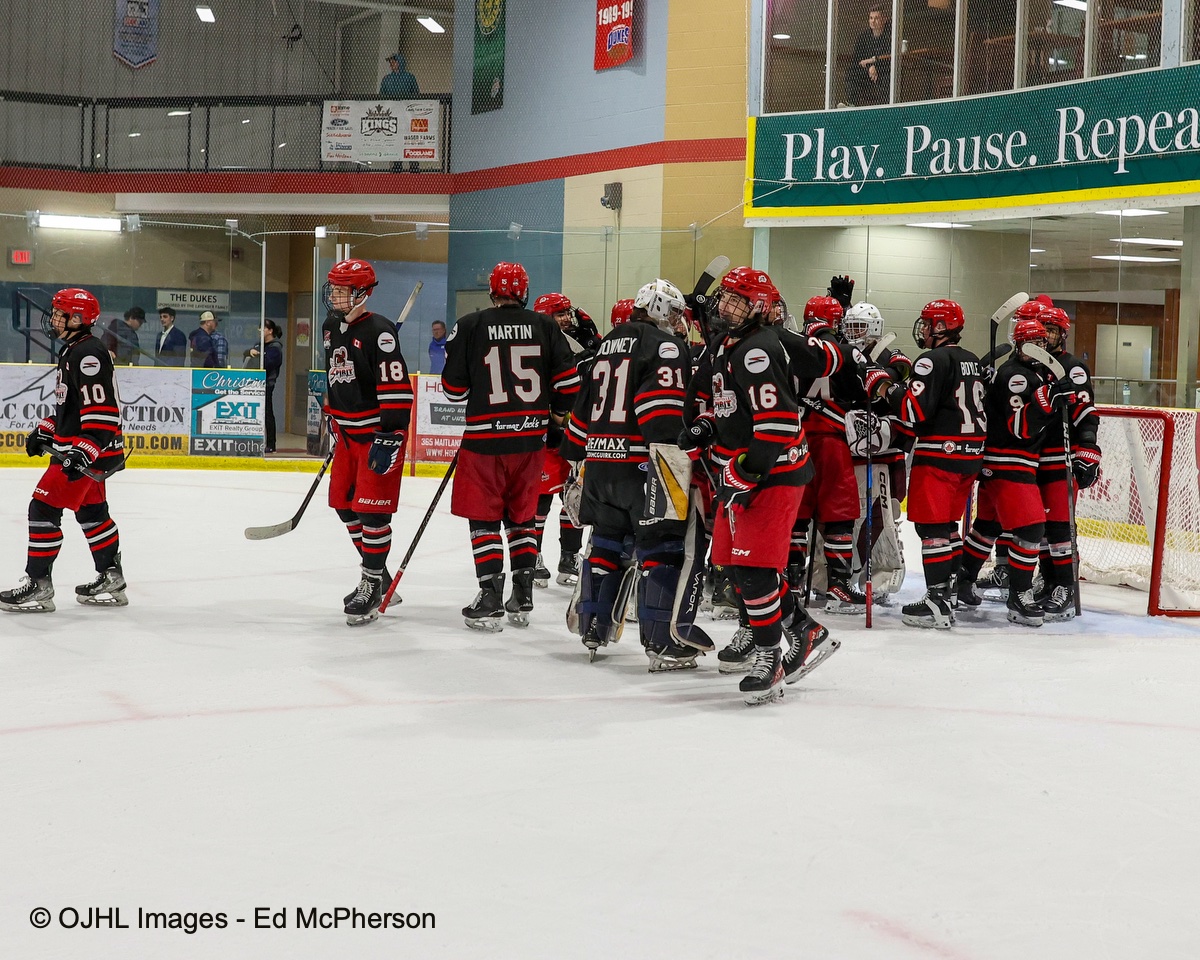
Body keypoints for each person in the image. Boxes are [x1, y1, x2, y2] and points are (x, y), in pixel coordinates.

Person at [688, 267, 832, 705]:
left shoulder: (758, 350)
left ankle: (770, 656)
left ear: (761, 308)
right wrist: (705, 428)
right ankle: (805, 630)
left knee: (753, 569)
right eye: (726, 298)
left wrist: (747, 471)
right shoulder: (725, 344)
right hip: (747, 469)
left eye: (739, 300)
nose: (727, 306)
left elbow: (779, 423)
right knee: (735, 564)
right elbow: (730, 407)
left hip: (773, 474)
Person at [561, 279, 702, 671]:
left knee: (607, 543)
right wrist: (687, 447)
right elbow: (662, 417)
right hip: (645, 466)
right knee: (662, 548)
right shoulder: (665, 346)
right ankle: (663, 642)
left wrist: (577, 457)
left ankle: (593, 627)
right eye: (673, 312)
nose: (678, 321)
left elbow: (580, 417)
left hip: (600, 466)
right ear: (656, 309)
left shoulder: (607, 344)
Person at [441, 261, 580, 631]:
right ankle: (522, 594)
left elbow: (453, 391)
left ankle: (489, 596)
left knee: (484, 520)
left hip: (484, 441)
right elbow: (568, 386)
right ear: (524, 291)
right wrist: (555, 422)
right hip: (530, 441)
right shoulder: (545, 325)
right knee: (522, 519)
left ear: (492, 292)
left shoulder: (470, 325)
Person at [1, 288, 127, 613]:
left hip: (87, 453)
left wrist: (83, 451)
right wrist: (46, 428)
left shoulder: (87, 354)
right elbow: (71, 407)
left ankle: (39, 584)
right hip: (91, 450)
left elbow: (102, 412)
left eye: (60, 313)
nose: (53, 318)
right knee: (91, 512)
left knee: (42, 508)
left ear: (78, 318)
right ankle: (111, 575)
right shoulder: (76, 349)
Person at [956, 314, 1076, 627]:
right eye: (1030, 343)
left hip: (1002, 463)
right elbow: (1020, 428)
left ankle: (963, 581)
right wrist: (1048, 399)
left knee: (987, 527)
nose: (1037, 347)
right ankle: (1019, 595)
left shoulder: (1029, 373)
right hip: (1009, 461)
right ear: (1018, 345)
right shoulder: (1018, 376)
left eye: (1040, 342)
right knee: (1032, 528)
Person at [879, 299, 986, 629]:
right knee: (949, 528)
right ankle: (950, 592)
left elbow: (913, 411)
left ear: (941, 327)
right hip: (970, 457)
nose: (923, 329)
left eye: (928, 323)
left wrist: (886, 388)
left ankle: (937, 602)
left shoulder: (930, 360)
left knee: (932, 529)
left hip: (940, 456)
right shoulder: (972, 361)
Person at [321, 259, 414, 625]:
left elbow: (397, 392)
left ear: (363, 293)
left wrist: (389, 436)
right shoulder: (331, 327)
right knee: (344, 505)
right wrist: (334, 415)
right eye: (334, 288)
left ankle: (371, 582)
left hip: (378, 435)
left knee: (373, 512)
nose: (335, 295)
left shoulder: (380, 332)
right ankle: (380, 573)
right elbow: (336, 376)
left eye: (343, 289)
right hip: (347, 435)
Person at [244, 320, 284, 454]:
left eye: (263, 328)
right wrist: (250, 352)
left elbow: (268, 363)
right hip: (253, 383)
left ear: (270, 330)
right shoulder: (258, 344)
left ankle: (271, 443)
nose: (260, 330)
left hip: (267, 384)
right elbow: (246, 355)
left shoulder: (275, 347)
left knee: (267, 413)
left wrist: (257, 356)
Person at [844, 4, 891, 107]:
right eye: (871, 18)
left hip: (884, 70)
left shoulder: (891, 35)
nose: (873, 21)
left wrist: (876, 66)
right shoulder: (863, 37)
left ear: (884, 19)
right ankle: (851, 103)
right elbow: (857, 60)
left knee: (888, 78)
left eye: (876, 18)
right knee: (852, 72)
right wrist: (870, 67)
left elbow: (889, 57)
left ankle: (884, 107)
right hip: (867, 71)